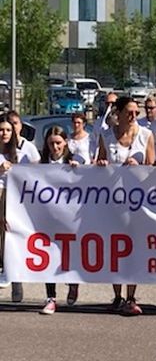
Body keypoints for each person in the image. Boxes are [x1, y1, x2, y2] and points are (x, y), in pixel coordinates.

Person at [97, 97, 156, 315]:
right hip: (112, 200)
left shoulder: (146, 135)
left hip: (136, 202)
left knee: (133, 248)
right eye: (129, 112)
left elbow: (152, 168)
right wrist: (101, 164)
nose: (133, 116)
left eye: (136, 112)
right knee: (114, 247)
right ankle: (117, 294)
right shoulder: (106, 136)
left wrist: (139, 166)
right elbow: (98, 165)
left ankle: (131, 296)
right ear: (118, 113)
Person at [39, 126, 80, 315]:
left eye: (58, 143)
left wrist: (78, 170)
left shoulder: (74, 162)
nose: (55, 147)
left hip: (70, 218)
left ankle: (73, 284)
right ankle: (51, 297)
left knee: (70, 254)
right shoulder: (39, 164)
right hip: (48, 217)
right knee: (49, 256)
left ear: (65, 143)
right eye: (51, 143)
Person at [5, 111, 41, 301]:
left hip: (21, 198)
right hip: (3, 195)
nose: (12, 128)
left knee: (16, 237)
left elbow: (38, 172)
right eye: (8, 125)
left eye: (15, 124)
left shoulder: (28, 148)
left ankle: (16, 282)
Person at [0, 114, 18, 290]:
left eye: (7, 130)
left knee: (8, 231)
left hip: (13, 195)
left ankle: (8, 270)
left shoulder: (20, 150)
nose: (4, 133)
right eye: (1, 129)